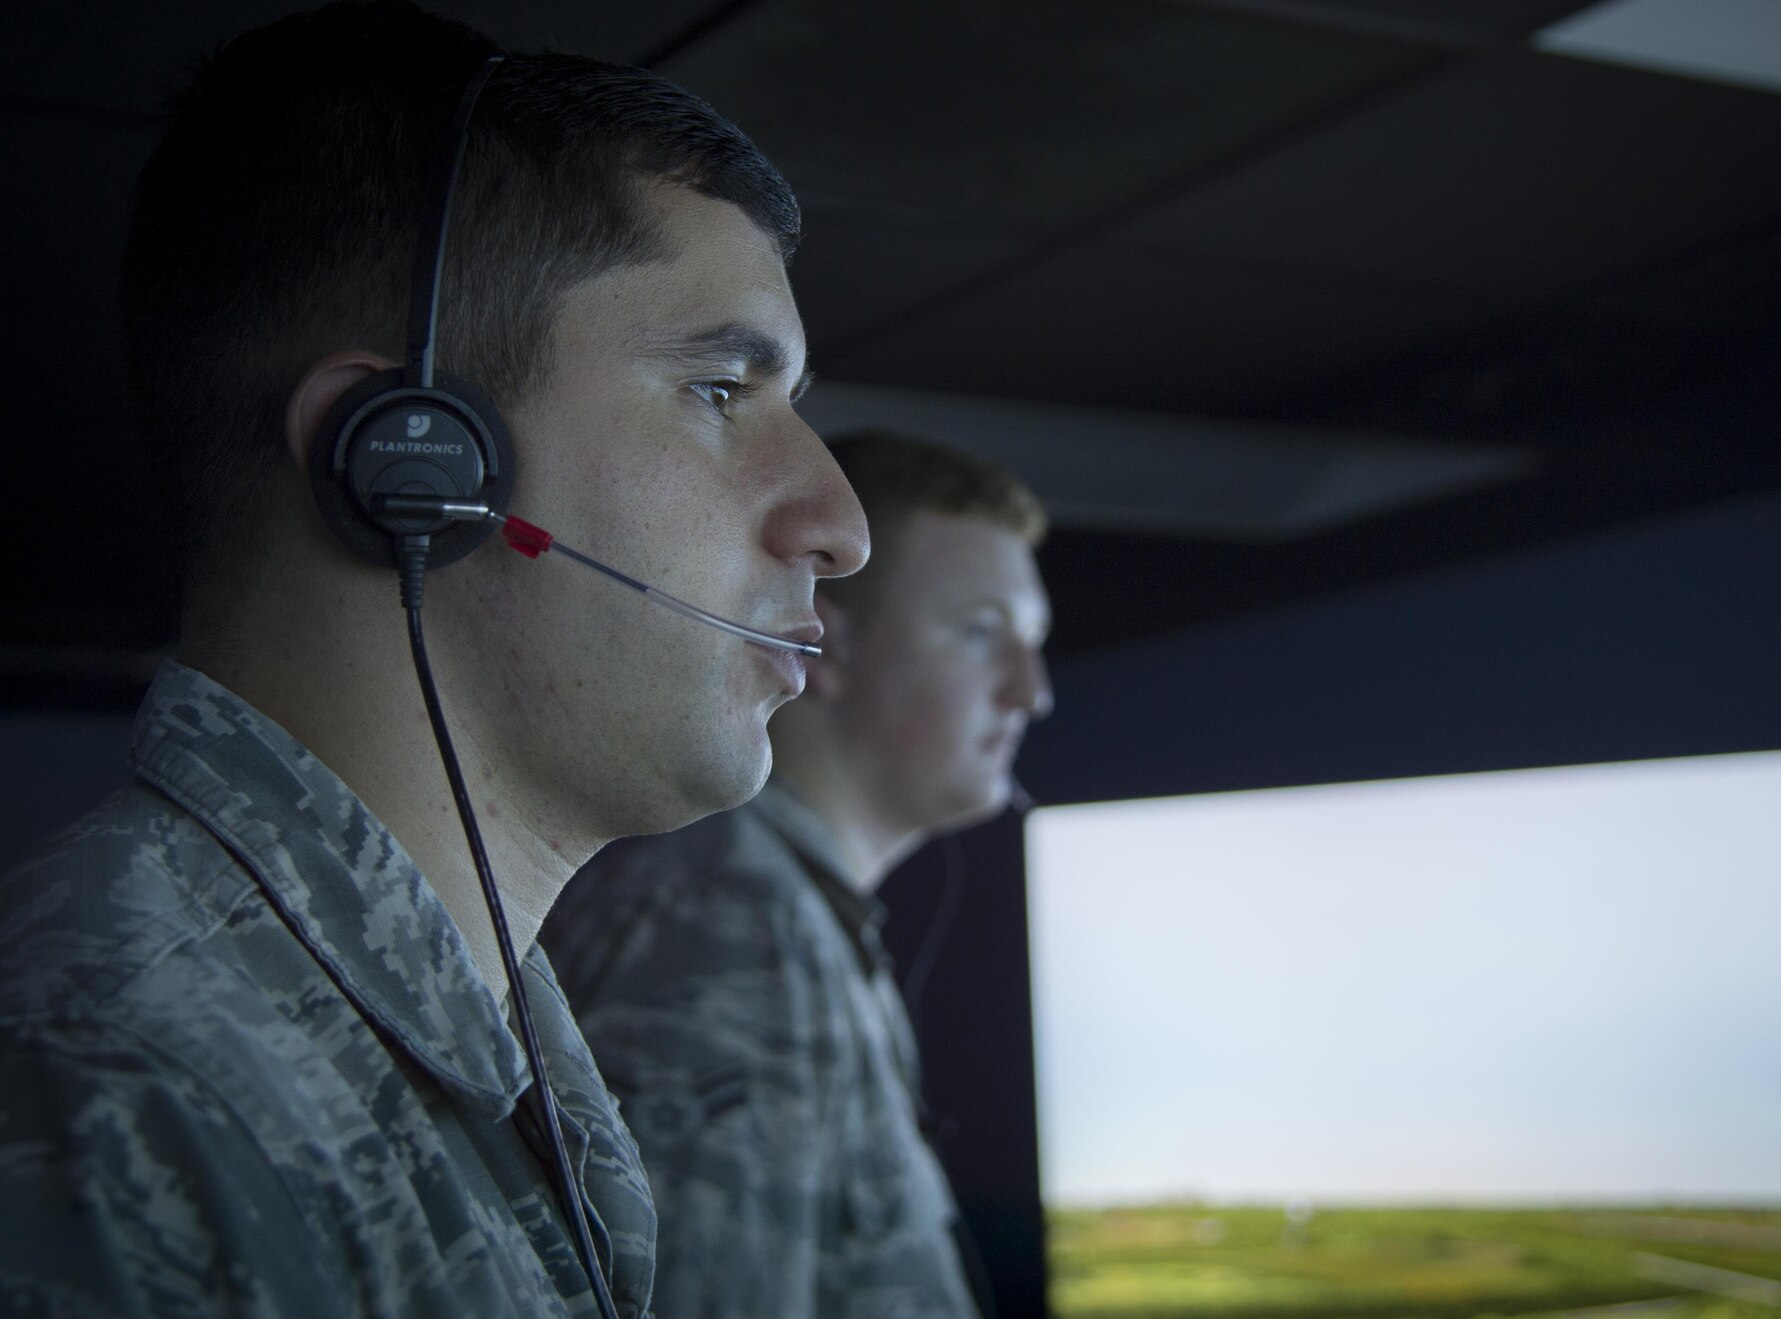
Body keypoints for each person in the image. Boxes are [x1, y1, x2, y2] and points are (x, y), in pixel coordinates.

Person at [0, 3, 866, 1315]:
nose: (841, 525)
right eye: (719, 390)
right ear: (412, 463)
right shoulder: (110, 1094)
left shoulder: (460, 1049)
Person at [543, 432, 1054, 1318]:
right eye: (982, 633)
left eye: (1034, 642)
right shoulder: (728, 919)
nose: (1030, 691)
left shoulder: (789, 906)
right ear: (831, 647)